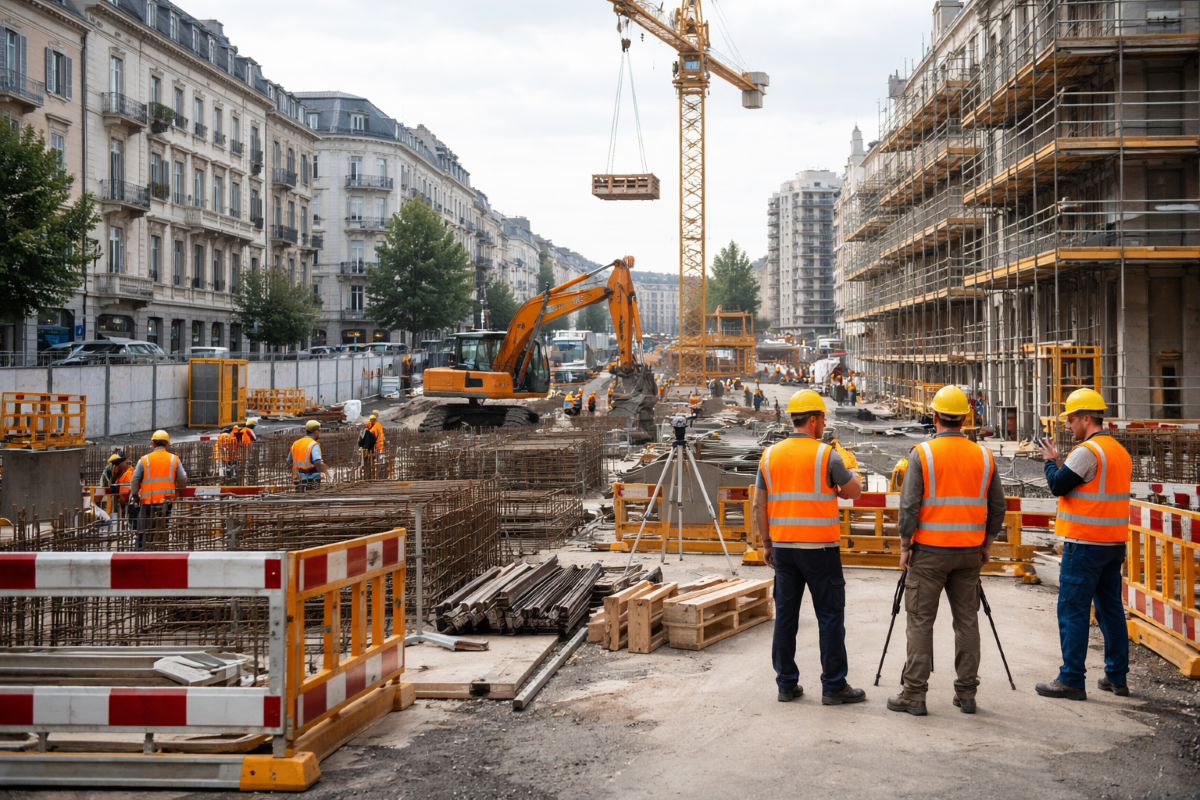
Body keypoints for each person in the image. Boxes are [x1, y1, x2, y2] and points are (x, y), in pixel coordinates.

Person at [889, 386, 1006, 717]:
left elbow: (909, 506)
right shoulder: (983, 456)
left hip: (928, 554)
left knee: (920, 622)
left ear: (935, 416)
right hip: (969, 554)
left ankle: (914, 694)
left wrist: (904, 546)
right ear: (966, 418)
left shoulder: (922, 454)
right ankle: (967, 694)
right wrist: (987, 543)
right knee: (967, 621)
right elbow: (997, 506)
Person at [755, 389, 865, 706]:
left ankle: (786, 684)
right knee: (829, 616)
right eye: (823, 419)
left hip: (785, 551)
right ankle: (833, 686)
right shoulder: (826, 455)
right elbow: (853, 492)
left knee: (786, 618)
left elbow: (758, 506)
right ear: (814, 420)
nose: (824, 424)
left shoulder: (770, 455)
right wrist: (851, 468)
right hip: (820, 551)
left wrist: (766, 544)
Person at [1036, 389, 1131, 701]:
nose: (1068, 424)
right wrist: (1062, 464)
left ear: (1087, 418)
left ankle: (1072, 680)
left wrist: (1051, 461)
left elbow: (1057, 485)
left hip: (1085, 545)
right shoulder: (1118, 451)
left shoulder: (1087, 451)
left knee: (1073, 610)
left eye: (1072, 418)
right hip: (1113, 544)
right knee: (1111, 610)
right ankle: (1116, 677)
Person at [129, 430, 188, 548]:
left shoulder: (144, 460)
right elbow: (182, 478)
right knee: (161, 529)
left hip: (147, 502)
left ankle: (142, 552)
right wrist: (180, 493)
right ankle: (160, 551)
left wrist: (135, 496)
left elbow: (134, 479)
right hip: (166, 502)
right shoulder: (173, 459)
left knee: (144, 531)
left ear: (152, 444)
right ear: (167, 444)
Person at [290, 420, 329, 491]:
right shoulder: (313, 444)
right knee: (311, 499)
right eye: (319, 431)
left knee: (299, 499)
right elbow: (317, 462)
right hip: (310, 480)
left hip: (297, 478)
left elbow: (289, 460)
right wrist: (326, 470)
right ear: (316, 431)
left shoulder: (295, 443)